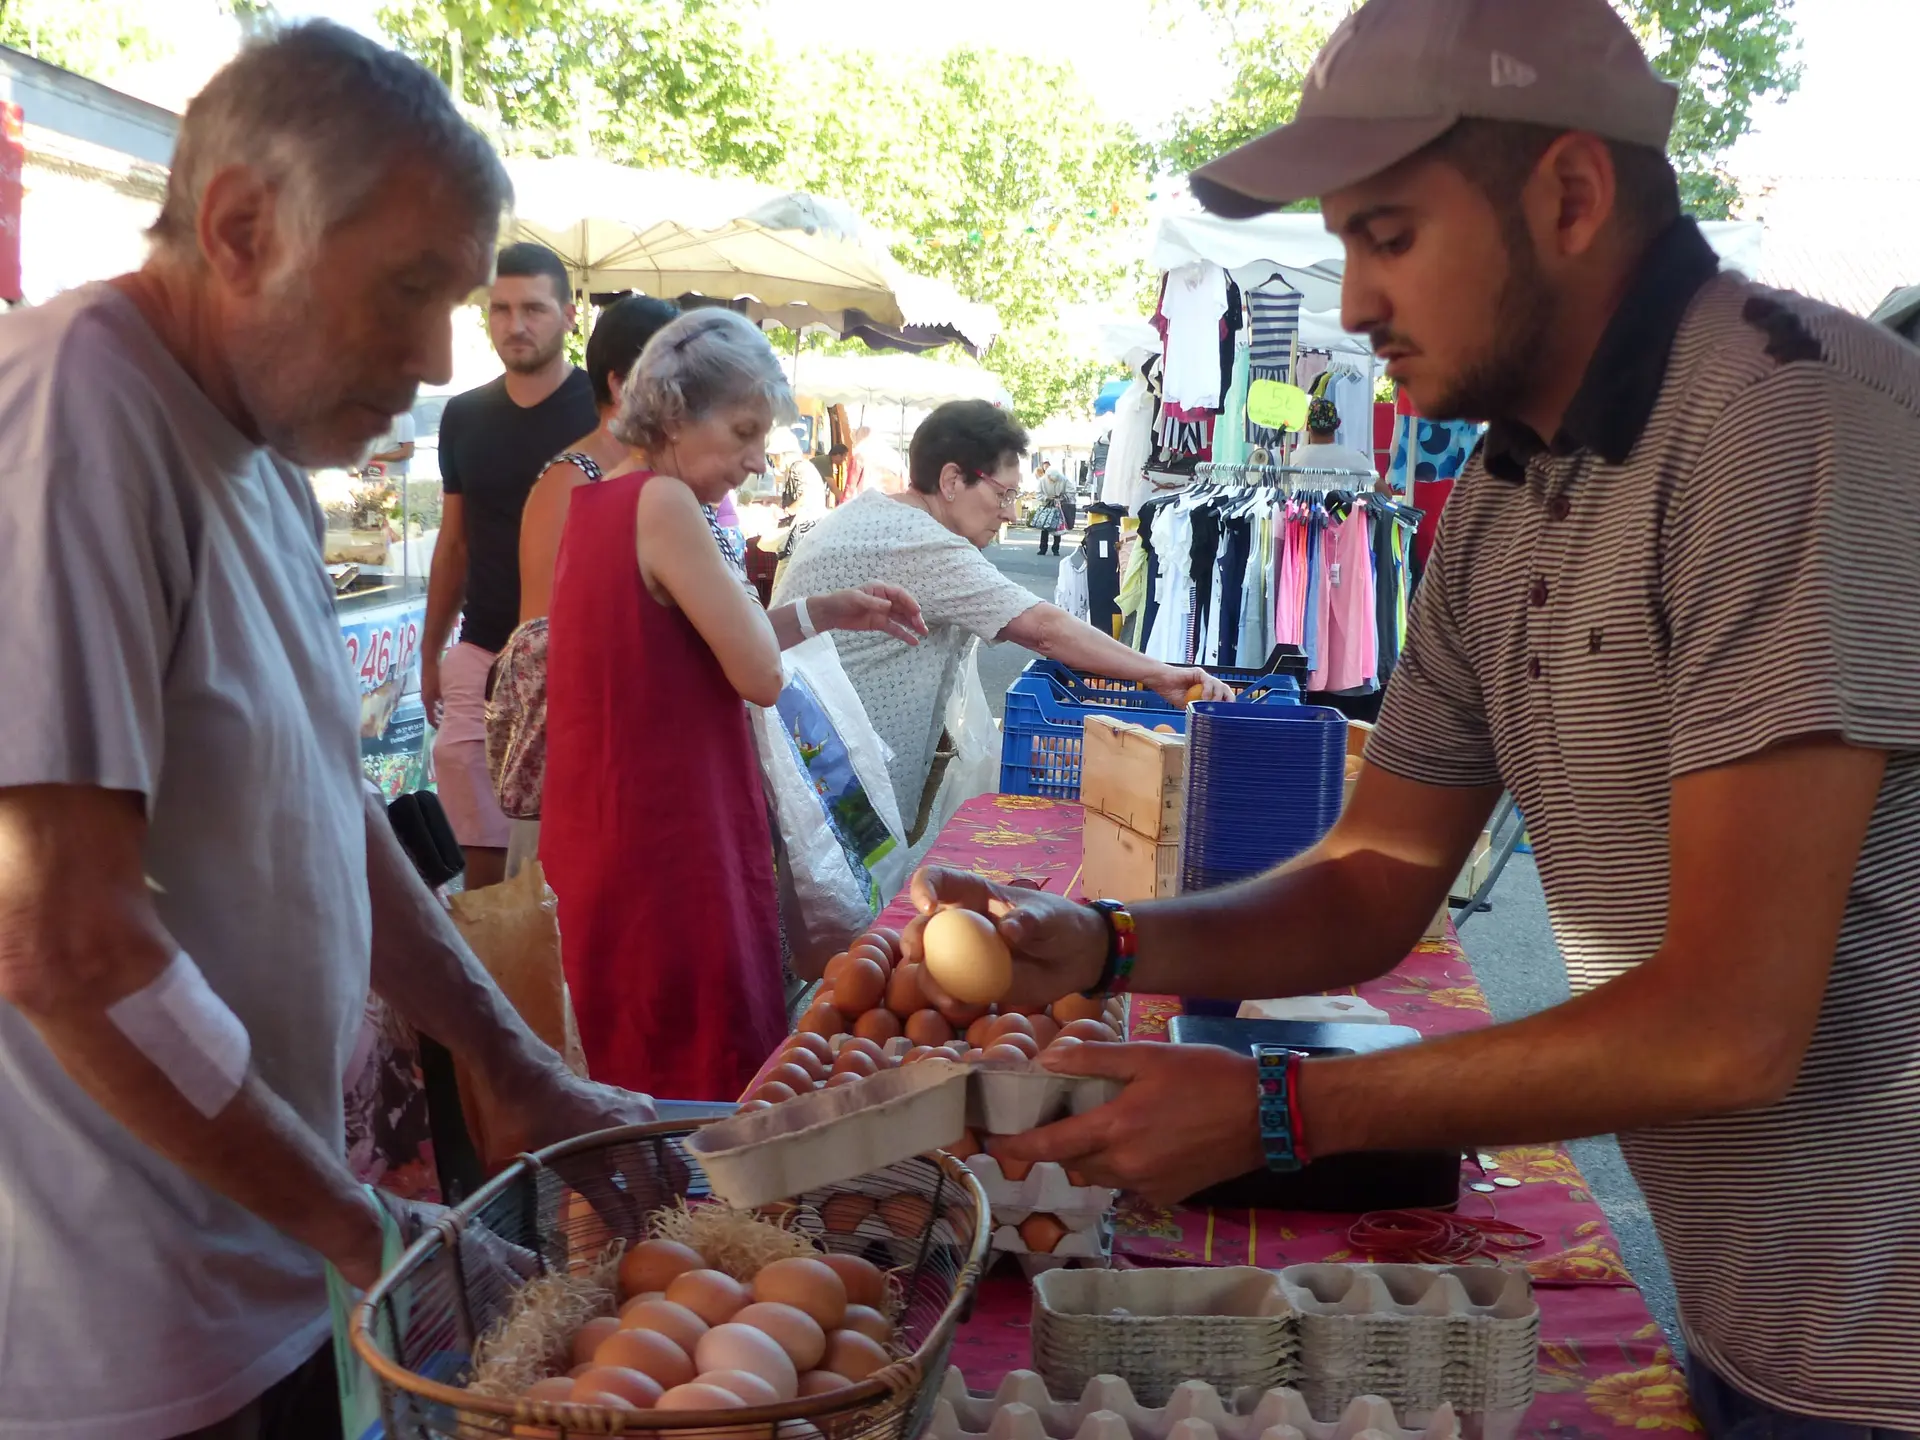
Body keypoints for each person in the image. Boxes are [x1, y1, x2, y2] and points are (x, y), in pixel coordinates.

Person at [907, 0, 1920, 1433]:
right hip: (1768, 1318)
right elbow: (1377, 877)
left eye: (1387, 236)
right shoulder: (1512, 492)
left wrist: (1278, 1112)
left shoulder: (1788, 422)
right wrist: (1109, 944)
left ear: (1570, 196)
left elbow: (1730, 1025)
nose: (1356, 302)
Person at [0, 25, 653, 1440]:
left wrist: (515, 1062)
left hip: (257, 1275)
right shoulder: (78, 410)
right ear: (240, 227)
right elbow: (61, 942)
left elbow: (327, 809)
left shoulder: (259, 459)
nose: (432, 360)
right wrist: (366, 1231)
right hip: (106, 1346)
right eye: (410, 290)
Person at [539, 308, 926, 1102]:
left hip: (617, 833)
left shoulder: (600, 502)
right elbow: (756, 672)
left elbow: (696, 648)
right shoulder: (664, 505)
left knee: (631, 1069)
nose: (756, 462)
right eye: (744, 431)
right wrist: (791, 621)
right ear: (676, 413)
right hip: (668, 842)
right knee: (696, 1075)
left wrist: (822, 610)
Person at [775, 400, 1230, 837]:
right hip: (833, 780)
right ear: (952, 479)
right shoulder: (923, 542)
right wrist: (1158, 674)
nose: (1012, 512)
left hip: (804, 764)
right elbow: (1045, 630)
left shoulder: (874, 513)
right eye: (1004, 493)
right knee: (851, 912)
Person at [421, 241, 598, 891]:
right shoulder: (463, 415)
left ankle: (545, 986)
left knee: (559, 859)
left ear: (570, 314)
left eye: (533, 308)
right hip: (481, 653)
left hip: (576, 663)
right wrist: (431, 652)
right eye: (499, 309)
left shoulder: (601, 415)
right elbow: (454, 543)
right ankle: (493, 982)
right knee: (481, 864)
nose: (515, 325)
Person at [493, 294, 680, 878]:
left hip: (647, 765)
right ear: (623, 385)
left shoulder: (666, 478)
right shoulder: (573, 480)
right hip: (593, 777)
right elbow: (547, 647)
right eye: (681, 382)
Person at [1291, 397, 1382, 491]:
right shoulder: (1356, 458)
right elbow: (1384, 492)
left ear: (1307, 426)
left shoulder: (1293, 459)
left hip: (1305, 505)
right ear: (1337, 424)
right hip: (1343, 505)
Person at [1033, 459, 1069, 556]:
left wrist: (1062, 498)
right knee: (1045, 528)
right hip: (1047, 505)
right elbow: (1038, 494)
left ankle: (1055, 549)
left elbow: (1069, 491)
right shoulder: (1042, 481)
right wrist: (1047, 497)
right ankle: (1043, 548)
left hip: (1058, 505)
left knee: (1057, 528)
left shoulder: (1063, 480)